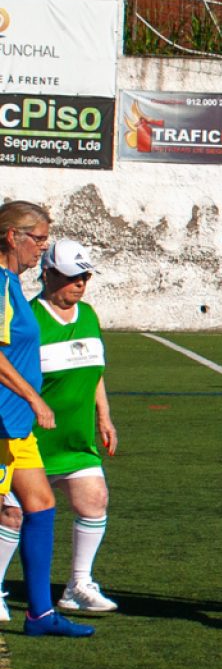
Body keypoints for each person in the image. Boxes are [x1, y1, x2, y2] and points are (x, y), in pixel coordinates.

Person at [0, 239, 118, 617]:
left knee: (94, 500)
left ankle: (78, 585)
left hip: (77, 438)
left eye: (84, 276)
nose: (79, 284)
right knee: (12, 515)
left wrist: (104, 415)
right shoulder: (29, 319)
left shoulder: (89, 316)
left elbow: (94, 370)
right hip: (33, 437)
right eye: (71, 277)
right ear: (48, 274)